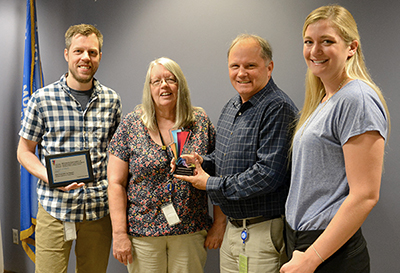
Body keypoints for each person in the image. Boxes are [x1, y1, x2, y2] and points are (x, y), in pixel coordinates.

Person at [280, 5, 390, 273]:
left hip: (328, 250)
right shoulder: (325, 99)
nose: (315, 51)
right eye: (309, 42)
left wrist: (311, 258)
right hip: (304, 240)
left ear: (351, 47)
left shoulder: (357, 99)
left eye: (326, 41)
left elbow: (365, 195)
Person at [174, 34, 298, 272]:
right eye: (235, 66)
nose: (241, 73)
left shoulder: (277, 107)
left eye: (250, 66)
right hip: (234, 230)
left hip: (262, 230)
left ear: (269, 68)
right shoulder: (232, 106)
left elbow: (267, 175)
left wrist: (211, 183)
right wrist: (202, 162)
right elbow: (224, 159)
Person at [17, 24, 122, 273]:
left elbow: (117, 156)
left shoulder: (112, 100)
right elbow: (24, 151)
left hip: (98, 209)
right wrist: (51, 177)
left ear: (99, 56)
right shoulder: (41, 99)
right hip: (55, 208)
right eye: (79, 51)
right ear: (67, 54)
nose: (85, 58)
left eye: (92, 52)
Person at [107, 57, 226, 273]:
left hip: (190, 231)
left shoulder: (200, 122)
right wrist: (119, 234)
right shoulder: (131, 125)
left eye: (171, 79)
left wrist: (219, 223)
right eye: (157, 81)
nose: (164, 86)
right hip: (144, 235)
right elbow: (115, 183)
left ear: (180, 85)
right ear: (149, 88)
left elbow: (218, 174)